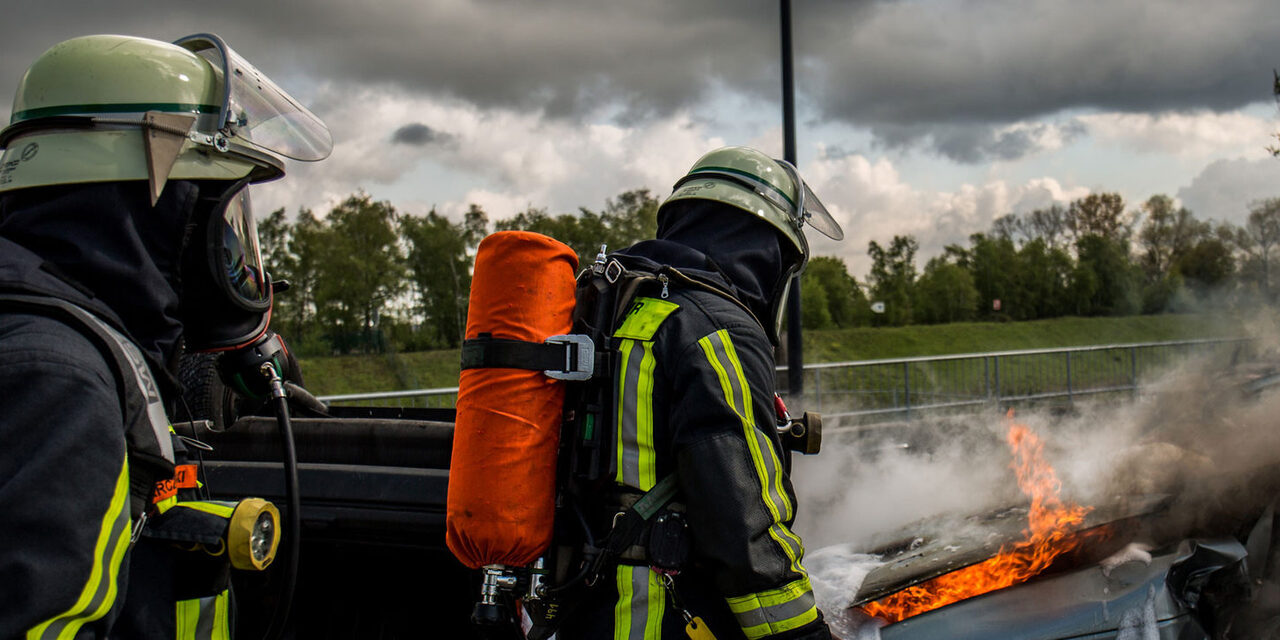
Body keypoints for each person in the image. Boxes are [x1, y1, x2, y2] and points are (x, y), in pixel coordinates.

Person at [0, 33, 330, 638]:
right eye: (224, 220)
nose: (235, 257)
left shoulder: (48, 333)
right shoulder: (59, 379)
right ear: (160, 207)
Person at [557, 146, 844, 640]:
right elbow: (743, 521)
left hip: (580, 607)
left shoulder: (611, 309)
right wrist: (802, 634)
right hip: (659, 617)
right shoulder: (717, 329)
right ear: (764, 246)